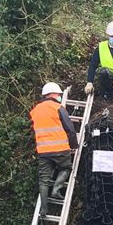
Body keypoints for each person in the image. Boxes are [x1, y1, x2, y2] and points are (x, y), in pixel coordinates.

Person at [29, 82, 79, 217]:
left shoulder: (35, 110)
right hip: (60, 149)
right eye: (58, 94)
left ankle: (43, 209)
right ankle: (57, 189)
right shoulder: (58, 107)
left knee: (43, 180)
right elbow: (70, 129)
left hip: (43, 151)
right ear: (52, 94)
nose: (59, 96)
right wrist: (74, 145)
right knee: (66, 168)